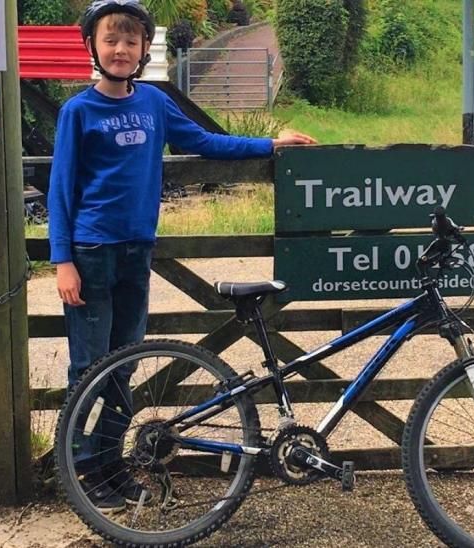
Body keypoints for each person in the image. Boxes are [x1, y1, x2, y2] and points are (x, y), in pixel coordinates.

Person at [48, 0, 316, 513]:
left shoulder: (152, 103)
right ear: (93, 48)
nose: (121, 49)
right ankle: (82, 473)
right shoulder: (77, 112)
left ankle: (112, 465)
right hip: (90, 252)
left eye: (131, 41)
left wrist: (269, 144)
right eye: (111, 40)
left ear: (145, 49)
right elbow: (60, 190)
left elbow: (204, 140)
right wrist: (63, 260)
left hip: (135, 252)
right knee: (87, 369)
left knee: (125, 365)